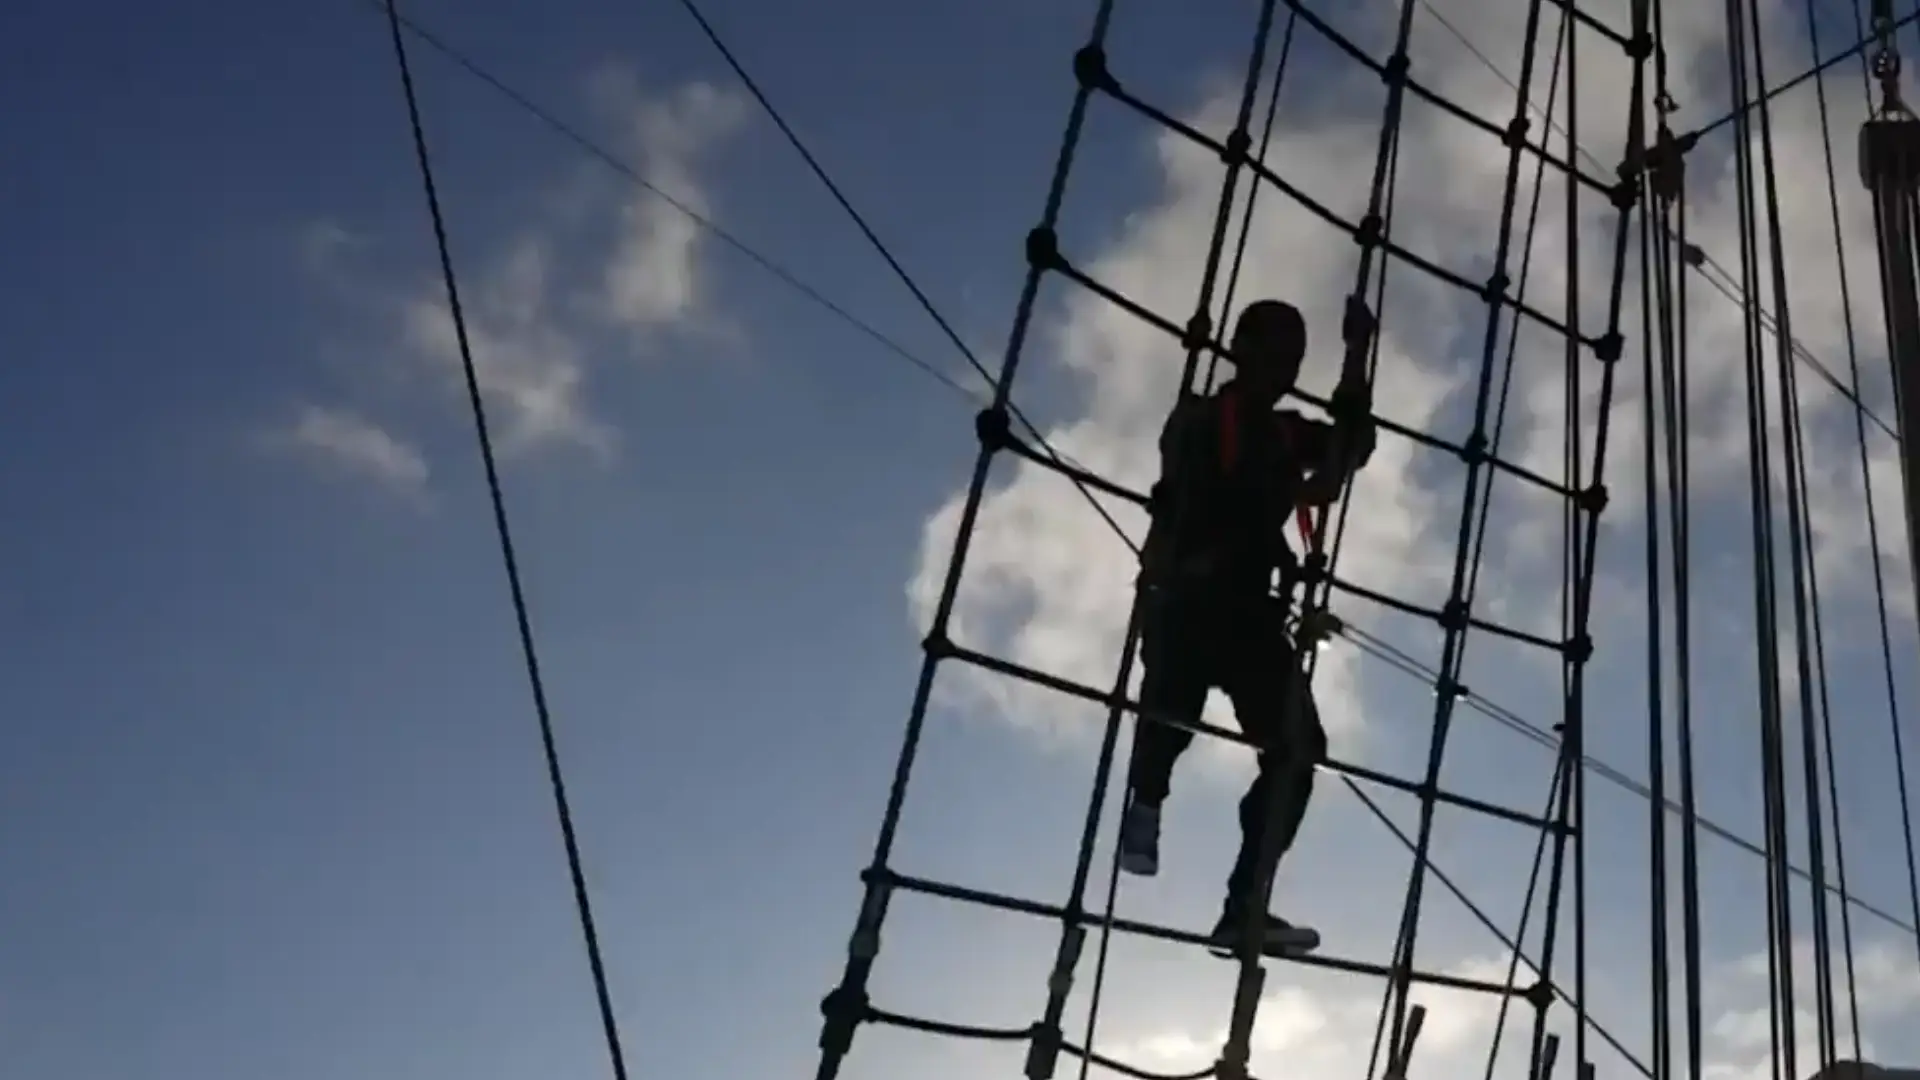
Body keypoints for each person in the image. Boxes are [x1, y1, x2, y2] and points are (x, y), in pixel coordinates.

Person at [1121, 295, 1378, 958]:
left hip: (1246, 611)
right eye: (1276, 353)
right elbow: (1187, 477)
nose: (1287, 368)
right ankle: (1146, 801)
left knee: (1298, 749)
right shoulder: (1204, 417)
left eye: (1295, 358)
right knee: (1171, 711)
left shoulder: (1281, 432)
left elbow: (1345, 459)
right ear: (1242, 350)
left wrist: (1355, 358)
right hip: (1190, 599)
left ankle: (1246, 906)